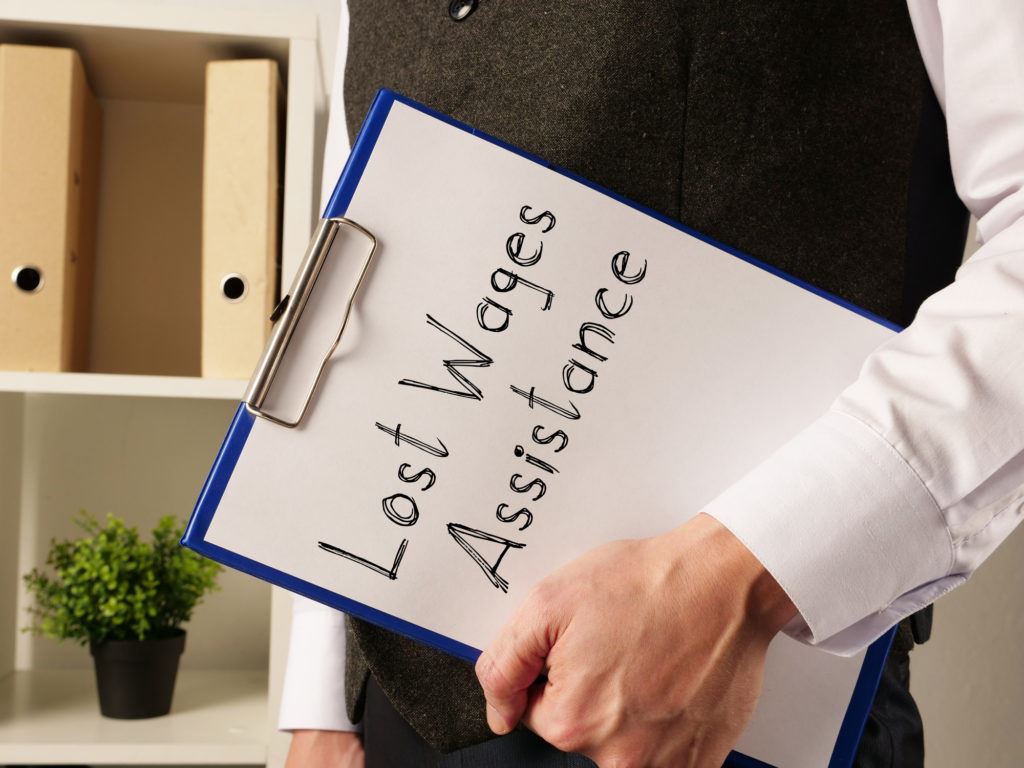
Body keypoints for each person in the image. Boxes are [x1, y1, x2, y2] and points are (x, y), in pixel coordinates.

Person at [281, 1, 1024, 766]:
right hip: (390, 708)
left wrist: (742, 575)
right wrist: (322, 698)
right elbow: (365, 245)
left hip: (717, 708)